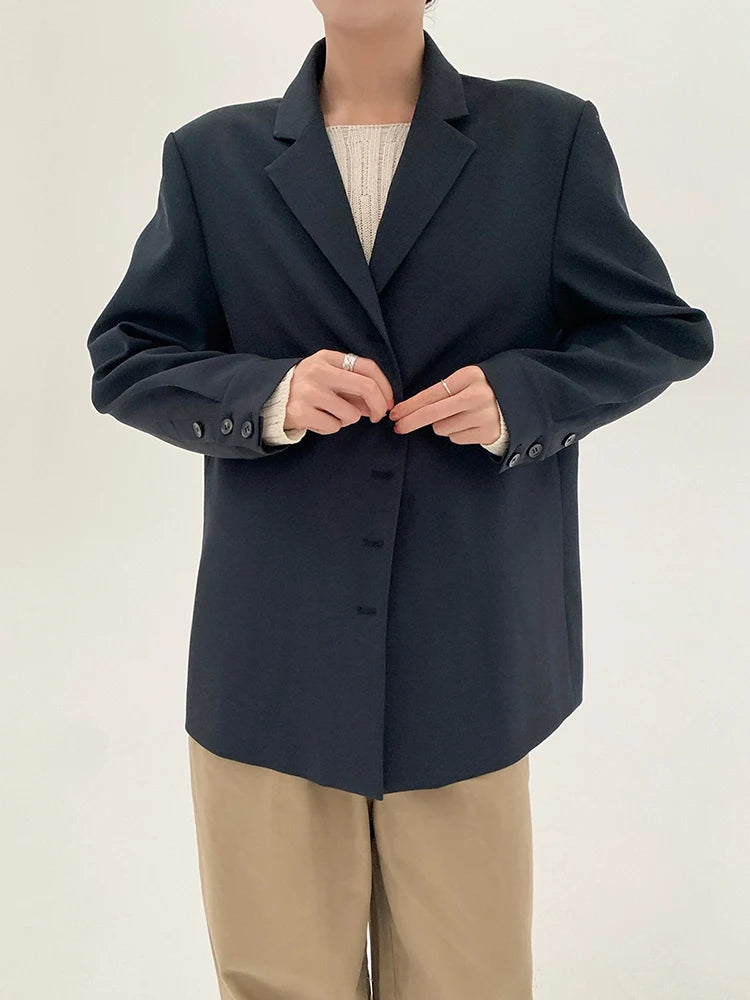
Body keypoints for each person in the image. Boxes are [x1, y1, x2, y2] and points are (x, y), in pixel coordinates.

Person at [86, 2, 714, 997]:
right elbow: (128, 357)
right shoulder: (211, 158)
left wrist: (522, 395)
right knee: (278, 982)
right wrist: (270, 394)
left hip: (466, 656)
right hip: (271, 665)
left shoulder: (546, 138)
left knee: (469, 980)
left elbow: (659, 330)